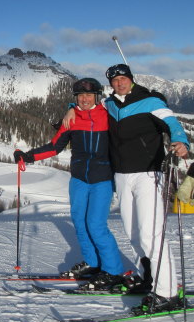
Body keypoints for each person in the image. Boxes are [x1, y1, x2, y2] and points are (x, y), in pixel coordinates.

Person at [14, 78, 125, 290]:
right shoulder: (71, 120)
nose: (84, 99)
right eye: (80, 96)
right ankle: (93, 263)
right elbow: (55, 147)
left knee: (96, 224)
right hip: (79, 179)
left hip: (102, 179)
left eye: (89, 96)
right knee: (79, 222)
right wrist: (28, 156)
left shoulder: (108, 115)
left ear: (96, 97)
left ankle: (113, 271)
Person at [100, 64, 189, 314]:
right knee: (133, 233)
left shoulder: (150, 101)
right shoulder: (110, 105)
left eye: (123, 78)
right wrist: (70, 111)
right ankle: (148, 278)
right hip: (122, 175)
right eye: (115, 80)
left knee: (151, 235)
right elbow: (87, 109)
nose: (120, 83)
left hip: (149, 173)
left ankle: (168, 292)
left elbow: (172, 124)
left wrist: (180, 141)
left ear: (131, 79)